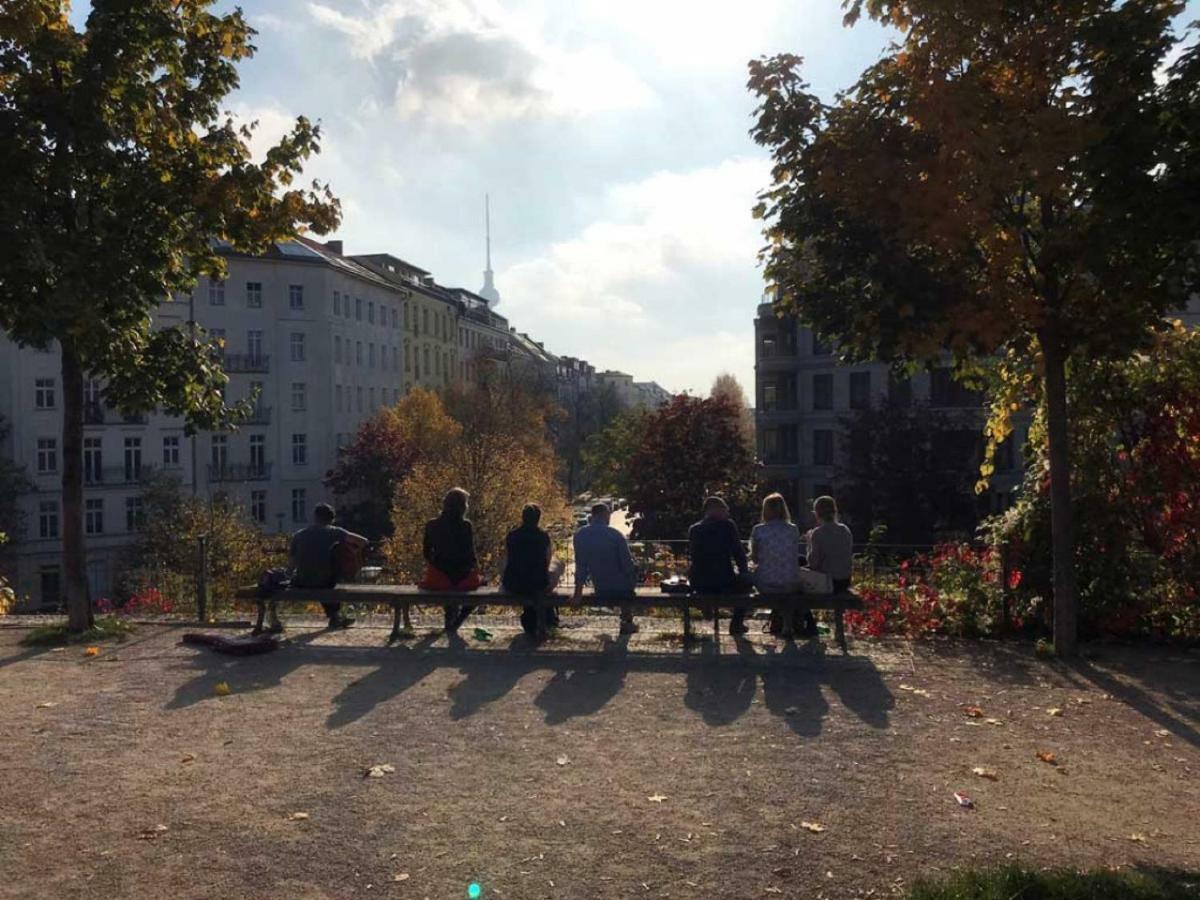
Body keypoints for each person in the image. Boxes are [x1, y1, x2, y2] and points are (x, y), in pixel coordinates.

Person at [289, 502, 368, 629]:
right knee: (329, 579)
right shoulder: (335, 532)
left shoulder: (299, 534)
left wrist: (289, 576)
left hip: (302, 580)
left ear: (315, 517)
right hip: (325, 581)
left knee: (319, 577)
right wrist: (351, 551)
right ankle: (335, 617)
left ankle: (335, 617)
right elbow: (363, 541)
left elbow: (291, 563)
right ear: (331, 519)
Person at [750, 492, 815, 638]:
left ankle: (738, 620)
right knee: (789, 586)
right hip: (790, 582)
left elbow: (754, 559)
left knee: (751, 577)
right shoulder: (792, 529)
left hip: (767, 584)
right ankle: (787, 623)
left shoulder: (758, 530)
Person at [688, 496, 752, 635]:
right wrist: (744, 572)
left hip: (700, 583)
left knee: (704, 577)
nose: (727, 513)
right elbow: (738, 553)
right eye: (725, 509)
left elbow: (694, 557)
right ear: (717, 509)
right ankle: (736, 623)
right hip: (723, 581)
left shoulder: (694, 529)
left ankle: (707, 604)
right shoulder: (728, 526)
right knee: (747, 583)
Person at [572, 502, 639, 635]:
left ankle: (626, 620)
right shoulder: (615, 535)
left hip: (600, 586)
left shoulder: (580, 535)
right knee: (627, 579)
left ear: (593, 516)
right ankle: (627, 621)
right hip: (621, 588)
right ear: (605, 515)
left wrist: (578, 593)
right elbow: (627, 564)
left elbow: (581, 566)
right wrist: (633, 576)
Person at [420, 487, 482, 632]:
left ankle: (449, 615)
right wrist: (474, 568)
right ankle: (458, 620)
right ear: (463, 506)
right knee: (481, 586)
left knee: (447, 577)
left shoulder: (432, 525)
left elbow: (426, 552)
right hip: (461, 578)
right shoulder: (466, 526)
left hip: (439, 578)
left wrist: (435, 563)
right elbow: (470, 555)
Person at [502, 503, 565, 636]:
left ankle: (539, 618)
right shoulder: (543, 536)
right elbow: (547, 562)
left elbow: (507, 558)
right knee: (557, 564)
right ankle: (547, 618)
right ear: (538, 518)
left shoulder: (512, 535)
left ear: (522, 517)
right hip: (537, 584)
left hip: (513, 583)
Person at [807, 495, 854, 595]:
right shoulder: (845, 529)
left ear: (817, 513)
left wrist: (809, 543)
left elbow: (813, 563)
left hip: (829, 582)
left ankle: (804, 610)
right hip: (845, 581)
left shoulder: (818, 533)